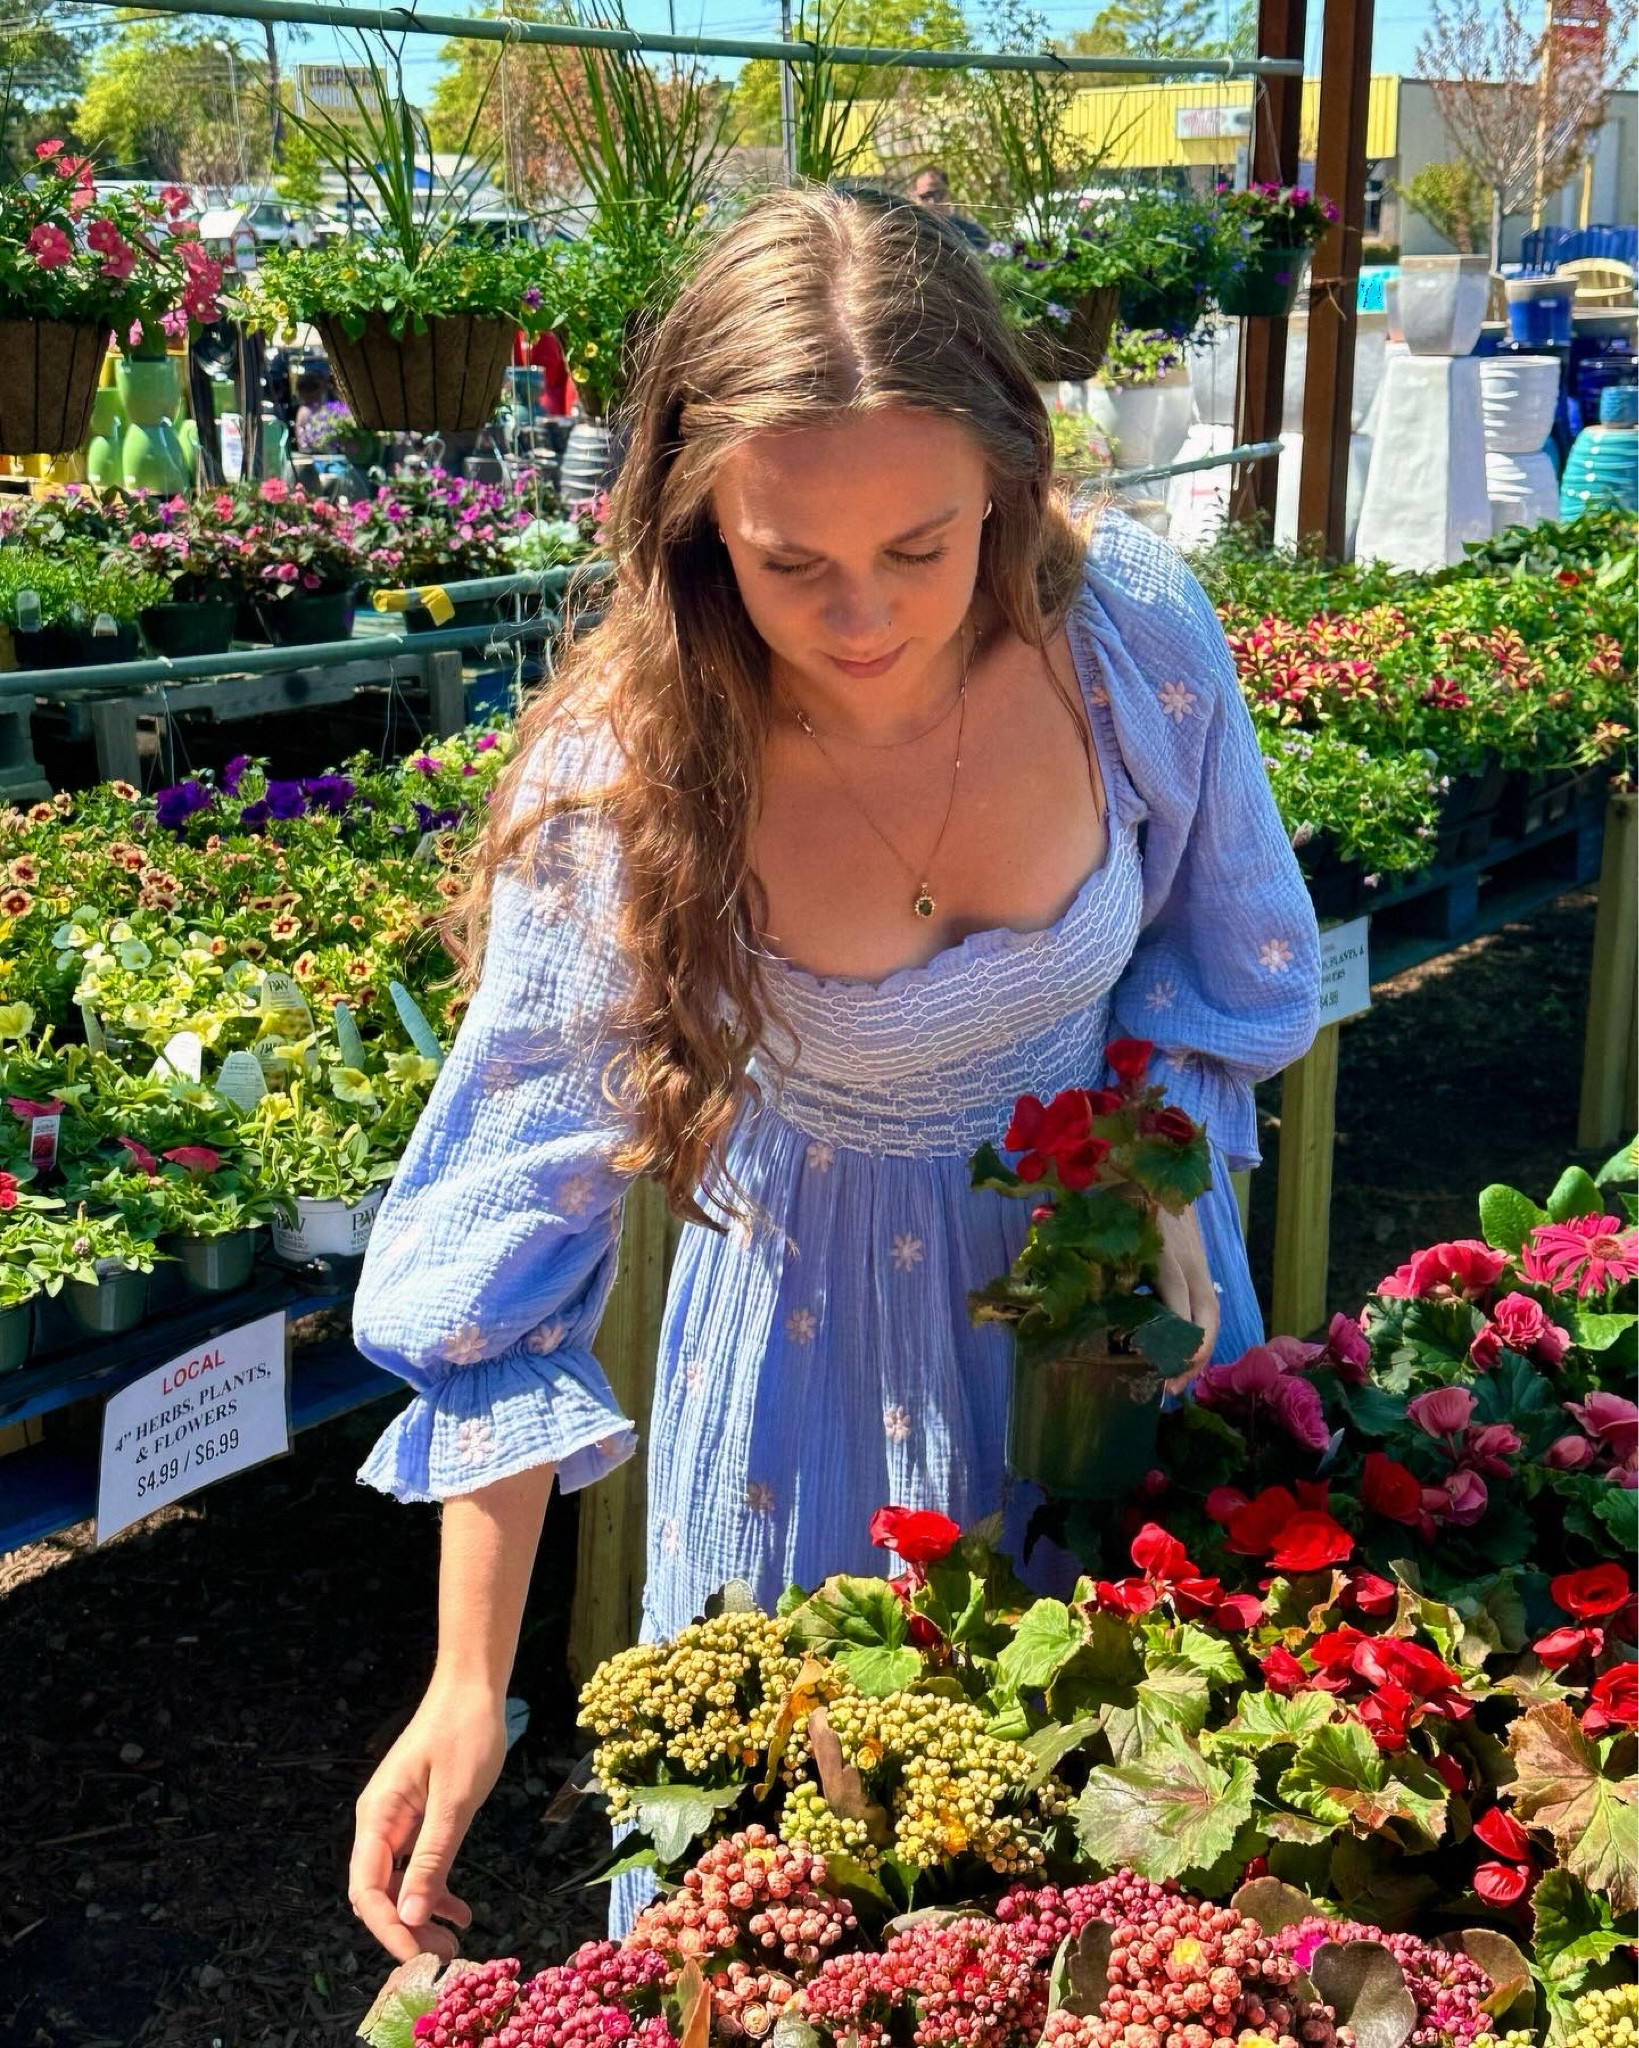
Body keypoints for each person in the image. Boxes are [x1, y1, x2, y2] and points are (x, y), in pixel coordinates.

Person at [345, 186, 1321, 1966]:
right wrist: (467, 1680)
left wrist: (1160, 1157)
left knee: (1139, 1877)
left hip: (1100, 1325)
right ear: (693, 515)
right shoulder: (629, 774)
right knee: (822, 1912)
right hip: (814, 1395)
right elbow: (507, 1232)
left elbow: (1219, 973)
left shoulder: (1131, 653)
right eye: (789, 559)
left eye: (922, 547)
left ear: (1008, 487)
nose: (861, 615)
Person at [911, 162, 989, 248]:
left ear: (948, 194)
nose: (933, 202)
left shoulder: (972, 234)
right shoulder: (909, 236)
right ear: (914, 198)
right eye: (925, 197)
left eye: (938, 194)